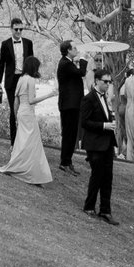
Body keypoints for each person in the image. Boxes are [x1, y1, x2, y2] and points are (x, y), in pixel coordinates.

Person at [0, 56, 55, 186]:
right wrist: (49, 95)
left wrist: (16, 115)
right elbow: (31, 100)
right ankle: (33, 173)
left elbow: (16, 100)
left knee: (22, 141)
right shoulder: (31, 80)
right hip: (28, 113)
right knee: (33, 143)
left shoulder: (21, 79)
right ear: (34, 67)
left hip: (21, 113)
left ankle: (20, 166)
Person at [79, 68, 117, 220]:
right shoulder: (88, 99)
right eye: (105, 81)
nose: (108, 84)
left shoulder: (106, 98)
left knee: (108, 177)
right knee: (97, 175)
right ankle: (89, 206)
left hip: (107, 143)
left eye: (109, 82)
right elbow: (84, 122)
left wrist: (110, 122)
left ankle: (105, 210)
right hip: (94, 144)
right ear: (96, 81)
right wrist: (103, 125)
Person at [0, 18, 38, 142]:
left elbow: (32, 63)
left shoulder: (28, 43)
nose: (19, 31)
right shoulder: (5, 44)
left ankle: (26, 140)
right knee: (14, 111)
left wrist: (33, 80)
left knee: (26, 109)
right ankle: (14, 143)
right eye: (16, 29)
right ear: (11, 29)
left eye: (21, 29)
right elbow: (1, 64)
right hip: (11, 81)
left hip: (24, 79)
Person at [55, 40, 86, 171]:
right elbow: (81, 72)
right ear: (68, 50)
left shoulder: (68, 63)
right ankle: (65, 162)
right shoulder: (65, 63)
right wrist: (83, 59)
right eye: (74, 48)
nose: (76, 50)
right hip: (69, 105)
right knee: (69, 134)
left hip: (72, 104)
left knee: (72, 134)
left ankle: (68, 161)